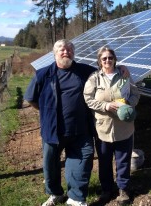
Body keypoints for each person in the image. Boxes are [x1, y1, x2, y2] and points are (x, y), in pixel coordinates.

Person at [24, 39, 129, 206]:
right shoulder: (43, 74)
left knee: (81, 163)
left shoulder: (84, 71)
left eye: (69, 50)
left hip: (81, 130)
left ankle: (76, 197)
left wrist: (121, 68)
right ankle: (55, 193)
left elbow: (106, 70)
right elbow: (31, 99)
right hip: (53, 130)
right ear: (55, 53)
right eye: (62, 49)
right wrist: (46, 112)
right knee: (50, 164)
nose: (66, 52)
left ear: (73, 53)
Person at [83, 46, 140, 205]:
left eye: (110, 57)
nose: (107, 60)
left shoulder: (124, 75)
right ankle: (107, 190)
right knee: (104, 161)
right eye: (104, 58)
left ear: (115, 59)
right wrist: (105, 106)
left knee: (123, 160)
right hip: (103, 128)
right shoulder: (95, 78)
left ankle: (123, 189)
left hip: (124, 126)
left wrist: (129, 104)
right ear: (99, 61)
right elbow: (88, 99)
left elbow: (135, 93)